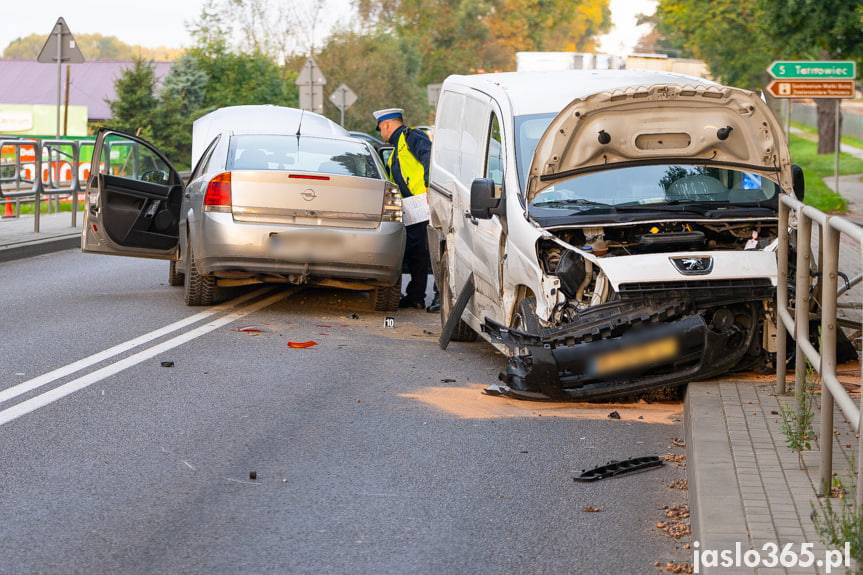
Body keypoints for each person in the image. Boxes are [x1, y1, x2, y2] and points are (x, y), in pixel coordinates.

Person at [373, 108, 440, 311]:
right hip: (412, 209)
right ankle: (416, 297)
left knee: (432, 252)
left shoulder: (412, 137)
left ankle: (440, 297)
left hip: (424, 205)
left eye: (380, 129)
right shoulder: (395, 150)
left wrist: (430, 185)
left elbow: (429, 156)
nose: (380, 133)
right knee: (417, 253)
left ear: (386, 125)